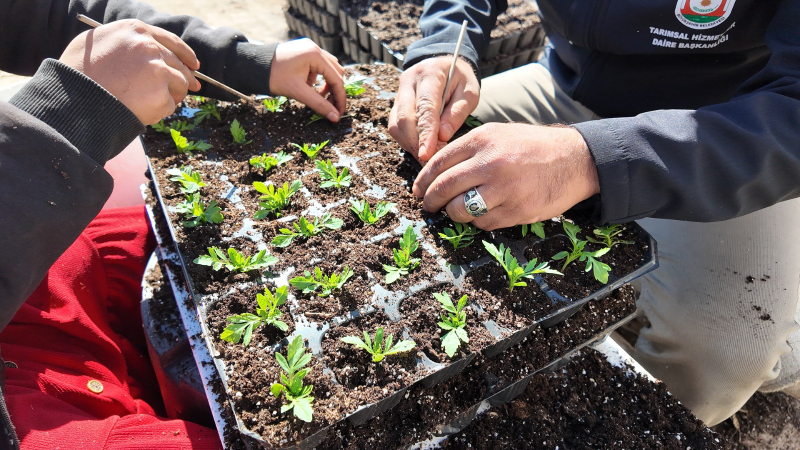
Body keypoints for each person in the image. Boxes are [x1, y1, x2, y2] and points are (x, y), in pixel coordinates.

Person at [388, 0, 800, 426]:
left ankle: (634, 426)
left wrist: (589, 159)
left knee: (729, 355)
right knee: (413, 154)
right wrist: (444, 45)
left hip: (721, 127)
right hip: (565, 83)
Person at [0, 1, 345, 448]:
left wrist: (251, 62)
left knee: (175, 245)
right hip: (22, 406)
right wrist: (71, 112)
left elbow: (45, 15)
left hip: (39, 260)